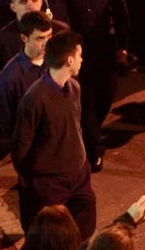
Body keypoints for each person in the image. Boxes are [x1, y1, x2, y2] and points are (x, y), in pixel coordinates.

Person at [11, 30, 96, 237]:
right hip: (50, 183)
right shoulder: (35, 99)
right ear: (69, 60)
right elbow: (21, 145)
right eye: (79, 55)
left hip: (79, 175)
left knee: (85, 229)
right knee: (52, 238)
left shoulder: (74, 87)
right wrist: (30, 179)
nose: (82, 60)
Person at [60, 0, 132, 172]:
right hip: (76, 51)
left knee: (105, 96)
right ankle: (95, 148)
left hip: (104, 47)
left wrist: (123, 45)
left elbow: (120, 13)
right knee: (86, 99)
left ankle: (90, 135)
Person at [0, 11, 53, 137]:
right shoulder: (9, 77)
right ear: (24, 38)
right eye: (40, 38)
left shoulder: (56, 62)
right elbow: (6, 121)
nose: (46, 43)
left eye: (49, 36)